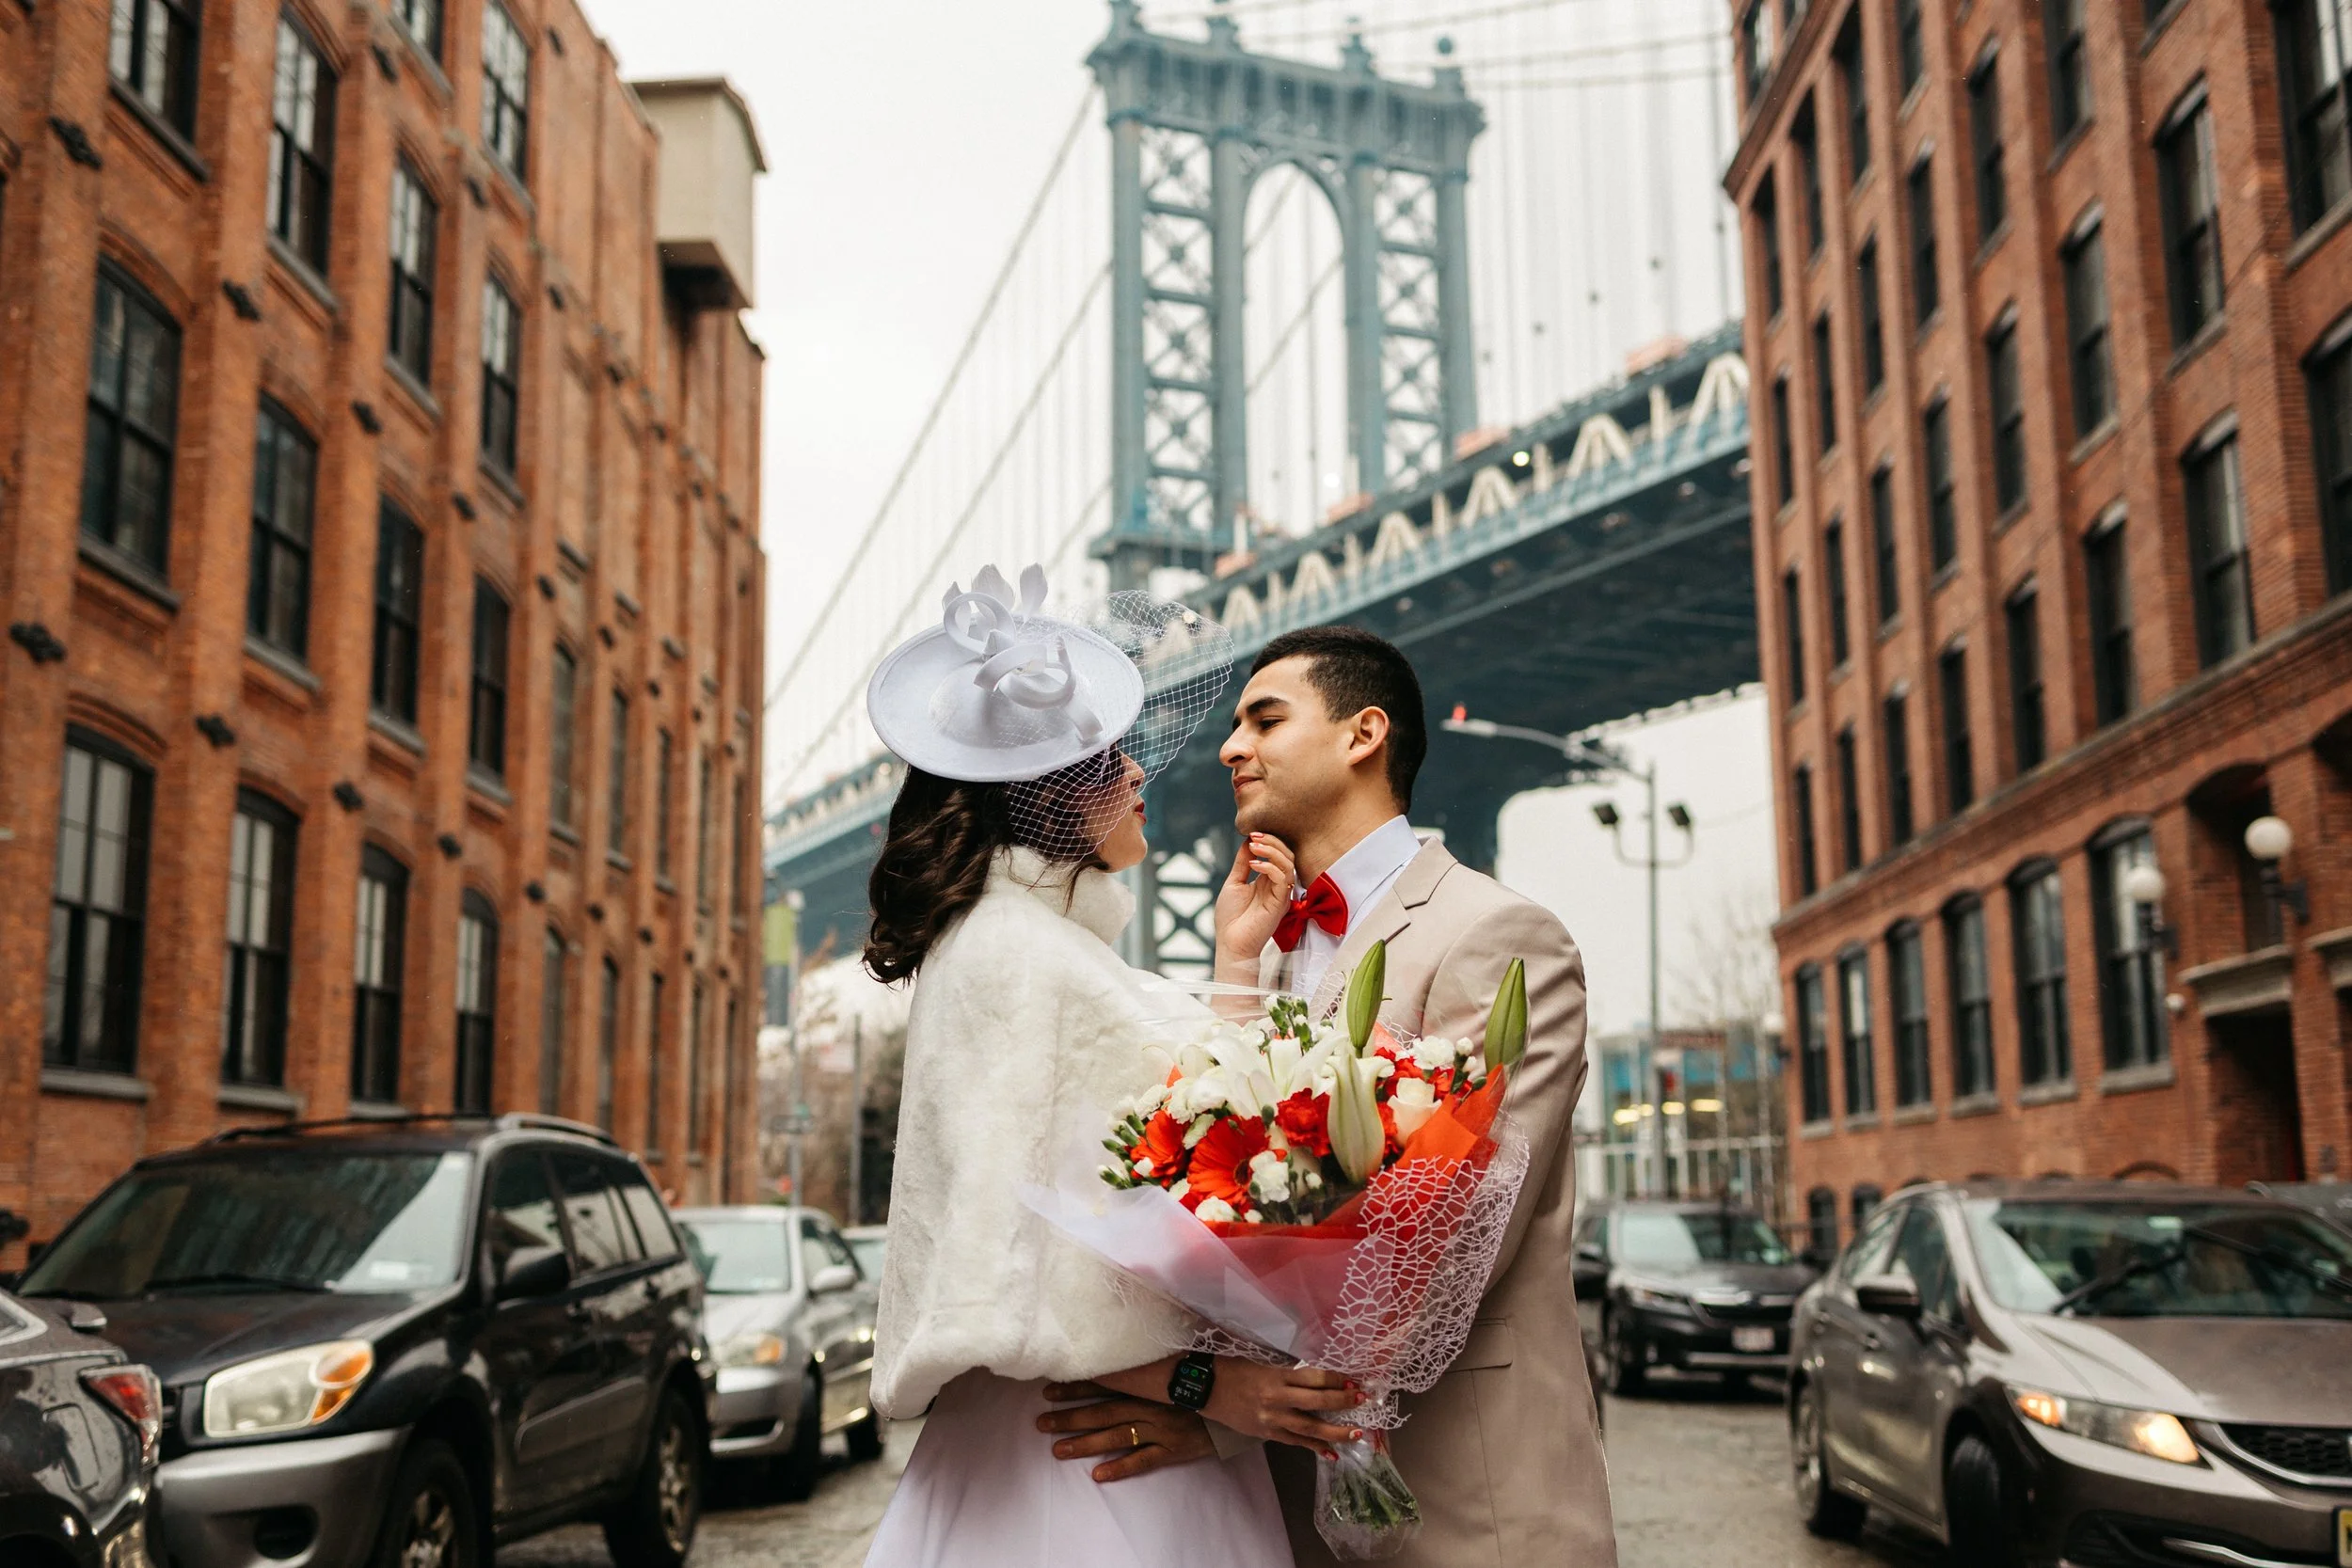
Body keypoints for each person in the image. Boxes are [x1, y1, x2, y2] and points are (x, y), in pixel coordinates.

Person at [1041, 625, 1620, 1568]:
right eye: (1234, 726)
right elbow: (1214, 1178)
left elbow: (1456, 1237)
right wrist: (1234, 964)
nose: (1230, 747)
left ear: (1364, 734)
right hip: (1284, 1511)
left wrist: (1223, 1410)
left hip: (1468, 1501)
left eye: (1264, 720)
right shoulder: (1264, 946)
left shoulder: (1499, 932)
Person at [858, 566, 1356, 1567]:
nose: (1136, 774)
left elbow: (1187, 1141)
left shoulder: (1034, 948)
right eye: (1104, 761)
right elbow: (998, 1283)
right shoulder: (1015, 955)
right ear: (1043, 797)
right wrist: (1210, 1387)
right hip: (1074, 1468)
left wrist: (1233, 960)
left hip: (1081, 1445)